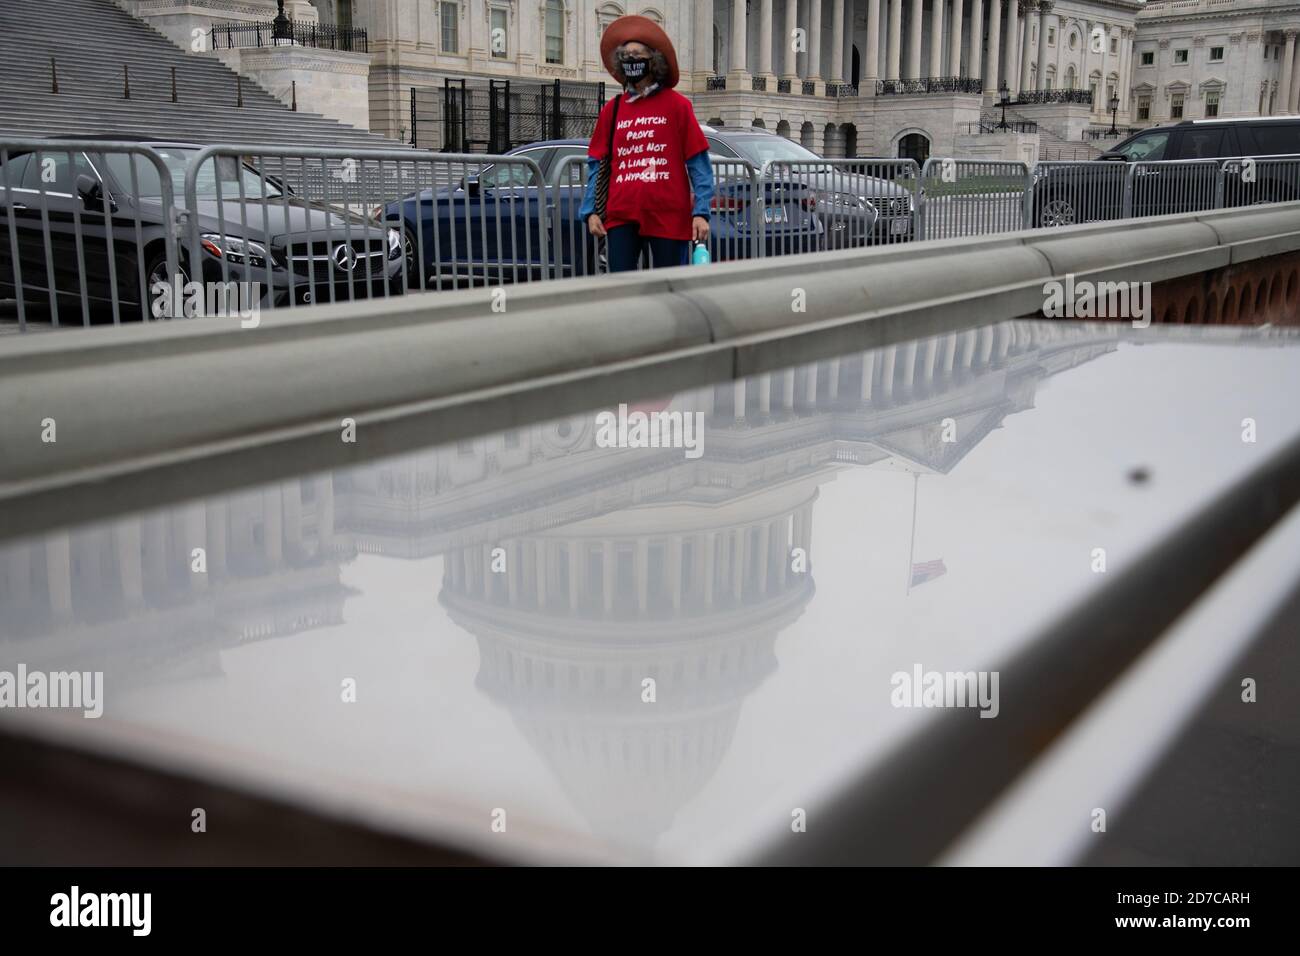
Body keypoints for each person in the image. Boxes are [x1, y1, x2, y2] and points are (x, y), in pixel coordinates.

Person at [579, 15, 714, 273]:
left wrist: (701, 211)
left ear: (654, 61)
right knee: (622, 288)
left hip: (668, 215)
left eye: (638, 55)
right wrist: (591, 211)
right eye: (626, 55)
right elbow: (597, 164)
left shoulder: (678, 106)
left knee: (671, 286)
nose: (631, 60)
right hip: (621, 214)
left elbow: (698, 163)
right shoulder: (612, 110)